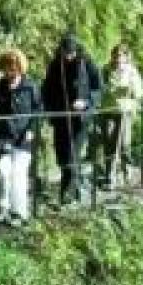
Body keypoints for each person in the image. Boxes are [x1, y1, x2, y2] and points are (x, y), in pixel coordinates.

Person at [0, 49, 41, 227]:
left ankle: (19, 212)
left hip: (24, 138)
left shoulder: (31, 87)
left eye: (13, 67)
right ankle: (0, 208)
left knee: (19, 174)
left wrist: (31, 129)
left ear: (20, 67)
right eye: (6, 68)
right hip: (3, 136)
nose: (9, 71)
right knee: (2, 171)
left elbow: (38, 111)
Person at [42, 32, 102, 203]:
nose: (68, 57)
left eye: (71, 53)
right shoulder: (55, 65)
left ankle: (67, 195)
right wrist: (47, 109)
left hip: (80, 118)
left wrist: (86, 102)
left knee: (71, 155)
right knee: (61, 154)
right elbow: (46, 89)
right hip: (60, 117)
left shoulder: (87, 64)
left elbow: (98, 88)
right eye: (65, 53)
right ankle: (74, 186)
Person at [99, 44, 143, 188]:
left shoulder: (131, 71)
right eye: (116, 55)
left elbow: (139, 92)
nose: (118, 59)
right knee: (109, 143)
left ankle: (127, 169)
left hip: (124, 111)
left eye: (121, 56)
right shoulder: (105, 70)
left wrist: (131, 92)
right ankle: (109, 176)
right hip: (108, 110)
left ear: (126, 57)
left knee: (124, 143)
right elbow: (99, 88)